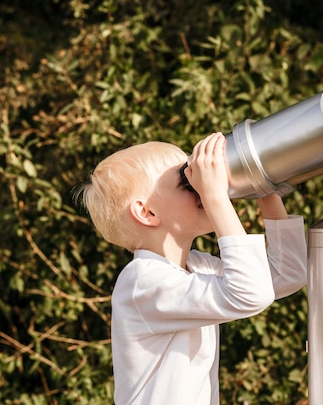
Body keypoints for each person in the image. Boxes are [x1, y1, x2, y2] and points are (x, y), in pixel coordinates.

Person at [74, 132, 307, 405]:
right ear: (147, 213)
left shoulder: (197, 267)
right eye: (186, 181)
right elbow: (251, 294)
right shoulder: (142, 281)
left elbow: (288, 274)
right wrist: (215, 197)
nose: (201, 187)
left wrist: (262, 189)